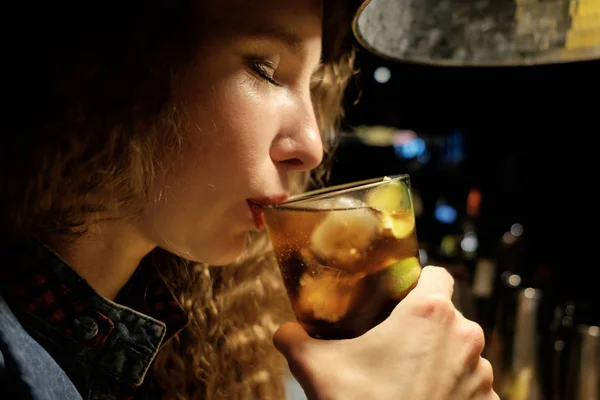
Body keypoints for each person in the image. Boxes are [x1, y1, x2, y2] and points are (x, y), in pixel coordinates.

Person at [0, 0, 498, 399]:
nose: (311, 146)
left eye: (312, 85)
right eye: (265, 70)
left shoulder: (175, 342)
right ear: (120, 69)